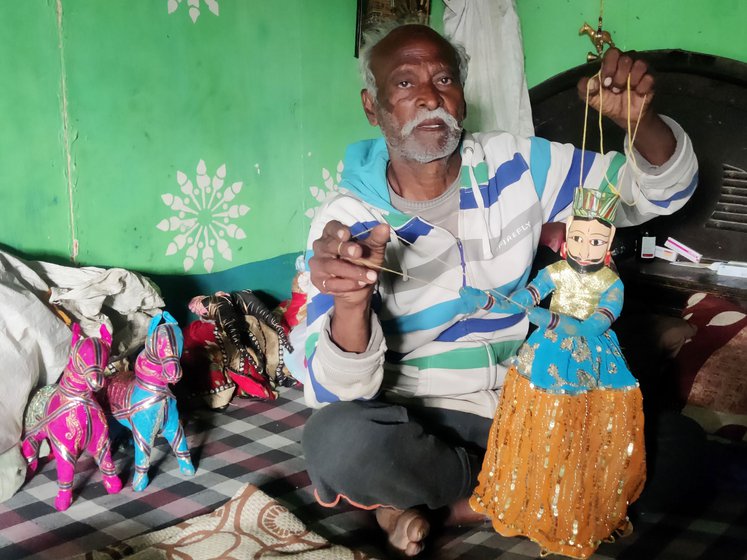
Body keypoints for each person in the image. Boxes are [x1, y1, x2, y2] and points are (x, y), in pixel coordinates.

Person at [301, 23, 698, 557]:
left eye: (443, 78)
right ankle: (516, 488)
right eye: (403, 84)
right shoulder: (346, 219)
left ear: (461, 99)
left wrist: (641, 123)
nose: (427, 95)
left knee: (681, 452)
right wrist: (351, 303)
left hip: (532, 402)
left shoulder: (518, 164)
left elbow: (658, 192)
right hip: (421, 418)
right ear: (373, 108)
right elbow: (334, 393)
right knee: (337, 441)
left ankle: (449, 508)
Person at [462, 188, 645, 559]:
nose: (584, 247)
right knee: (539, 432)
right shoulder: (555, 271)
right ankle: (534, 506)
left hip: (591, 363)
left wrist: (552, 319)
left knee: (581, 434)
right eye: (577, 237)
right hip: (543, 357)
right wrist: (487, 301)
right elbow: (523, 299)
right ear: (567, 238)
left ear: (608, 242)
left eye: (595, 241)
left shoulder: (611, 284)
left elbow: (593, 326)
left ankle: (573, 513)